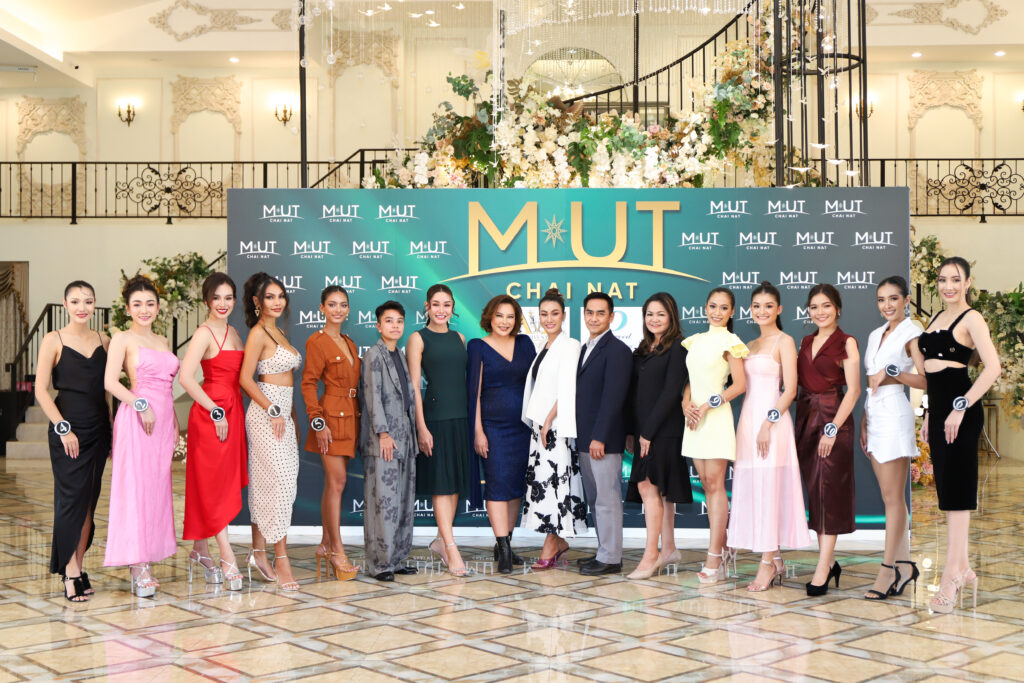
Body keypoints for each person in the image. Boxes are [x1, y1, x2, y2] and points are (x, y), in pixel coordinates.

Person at [912, 257, 1000, 613]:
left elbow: (993, 367)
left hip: (961, 414)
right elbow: (933, 377)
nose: (948, 286)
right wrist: (929, 414)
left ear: (967, 283)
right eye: (942, 279)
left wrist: (960, 407)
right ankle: (962, 568)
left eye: (955, 279)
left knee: (959, 494)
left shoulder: (972, 318)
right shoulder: (936, 318)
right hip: (939, 414)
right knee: (948, 493)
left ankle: (950, 577)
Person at [727, 282, 810, 591]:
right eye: (757, 306)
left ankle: (766, 564)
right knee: (755, 488)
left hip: (772, 424)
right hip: (747, 422)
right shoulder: (747, 345)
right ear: (750, 310)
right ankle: (774, 558)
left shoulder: (784, 341)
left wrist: (767, 423)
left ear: (779, 309)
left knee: (770, 488)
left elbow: (790, 390)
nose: (762, 311)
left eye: (768, 306)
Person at [103, 275, 179, 598]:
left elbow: (168, 387)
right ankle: (137, 565)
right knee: (135, 489)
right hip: (136, 420)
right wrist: (140, 404)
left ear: (158, 307)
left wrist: (174, 422)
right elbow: (110, 382)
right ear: (127, 308)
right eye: (137, 304)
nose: (144, 310)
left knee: (156, 490)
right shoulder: (122, 338)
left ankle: (147, 556)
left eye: (150, 303)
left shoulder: (163, 340)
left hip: (163, 423)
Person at [35, 281, 111, 602]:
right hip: (67, 430)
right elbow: (41, 390)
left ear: (94, 305)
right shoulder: (53, 339)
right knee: (71, 501)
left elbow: (106, 392)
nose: (82, 307)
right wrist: (63, 428)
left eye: (88, 301)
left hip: (98, 430)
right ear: (65, 304)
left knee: (90, 502)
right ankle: (69, 570)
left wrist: (111, 428)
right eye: (76, 301)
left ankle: (79, 566)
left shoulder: (104, 340)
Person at [860, 276, 926, 600]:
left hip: (895, 417)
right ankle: (905, 565)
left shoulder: (913, 333)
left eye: (893, 299)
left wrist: (894, 374)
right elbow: (869, 381)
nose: (887, 305)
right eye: (881, 299)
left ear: (906, 300)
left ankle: (887, 571)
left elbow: (925, 379)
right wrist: (863, 419)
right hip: (873, 416)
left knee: (892, 499)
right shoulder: (875, 334)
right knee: (892, 498)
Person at [179, 272, 247, 591]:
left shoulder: (234, 331)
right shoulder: (203, 333)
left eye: (228, 297)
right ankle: (226, 555)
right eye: (217, 297)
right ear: (207, 300)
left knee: (219, 483)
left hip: (234, 412)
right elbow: (186, 378)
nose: (223, 303)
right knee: (213, 485)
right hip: (212, 415)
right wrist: (214, 410)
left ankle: (200, 549)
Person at [795, 283, 861, 596]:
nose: (820, 312)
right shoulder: (806, 341)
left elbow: (854, 390)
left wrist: (832, 429)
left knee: (828, 493)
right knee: (816, 493)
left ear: (838, 308)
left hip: (833, 420)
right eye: (814, 307)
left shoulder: (847, 342)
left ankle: (822, 568)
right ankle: (829, 561)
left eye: (826, 306)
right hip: (806, 420)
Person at [239, 273, 302, 591]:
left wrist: (291, 417)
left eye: (281, 296)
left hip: (283, 416)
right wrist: (273, 410)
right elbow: (245, 379)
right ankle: (281, 559)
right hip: (266, 415)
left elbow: (288, 381)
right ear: (257, 302)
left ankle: (258, 552)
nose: (277, 302)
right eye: (270, 297)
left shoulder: (279, 331)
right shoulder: (258, 333)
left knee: (275, 484)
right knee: (277, 485)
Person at [682, 287, 748, 584]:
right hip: (694, 419)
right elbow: (689, 381)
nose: (717, 312)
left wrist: (710, 404)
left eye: (723, 308)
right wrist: (686, 404)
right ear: (705, 308)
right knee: (706, 483)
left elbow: (740, 385)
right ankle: (723, 548)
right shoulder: (695, 341)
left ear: (732, 312)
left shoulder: (731, 342)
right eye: (713, 306)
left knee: (715, 483)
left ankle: (714, 557)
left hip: (716, 417)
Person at [467, 295, 536, 573]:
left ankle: (506, 542)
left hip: (523, 428)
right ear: (489, 317)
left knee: (515, 486)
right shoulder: (477, 346)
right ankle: (503, 548)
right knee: (497, 484)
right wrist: (478, 432)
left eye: (510, 316)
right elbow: (474, 393)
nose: (504, 322)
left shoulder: (525, 344)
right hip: (492, 428)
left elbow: (537, 384)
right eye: (499, 316)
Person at [625, 292, 690, 580]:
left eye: (661, 314)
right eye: (650, 314)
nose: (654, 319)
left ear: (671, 317)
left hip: (664, 430)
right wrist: (633, 431)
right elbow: (634, 395)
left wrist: (648, 432)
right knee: (660, 491)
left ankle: (651, 555)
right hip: (644, 430)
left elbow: (670, 392)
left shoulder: (677, 348)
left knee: (648, 486)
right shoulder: (641, 350)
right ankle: (670, 548)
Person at [407, 284, 471, 577]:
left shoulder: (460, 338)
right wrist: (421, 427)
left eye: (446, 305)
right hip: (435, 420)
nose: (441, 310)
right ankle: (451, 547)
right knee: (441, 485)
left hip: (461, 418)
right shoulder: (418, 338)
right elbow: (414, 388)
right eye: (436, 304)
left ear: (453, 307)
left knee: (454, 484)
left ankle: (440, 541)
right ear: (427, 306)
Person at [521, 288, 586, 569]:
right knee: (545, 486)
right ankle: (557, 542)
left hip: (556, 428)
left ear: (564, 316)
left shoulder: (570, 345)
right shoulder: (542, 347)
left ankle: (551, 543)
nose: (549, 319)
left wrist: (548, 421)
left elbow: (568, 389)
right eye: (544, 314)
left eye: (554, 314)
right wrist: (541, 424)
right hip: (541, 429)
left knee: (555, 486)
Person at [301, 286, 360, 581]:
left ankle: (325, 544)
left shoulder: (349, 342)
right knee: (338, 483)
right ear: (322, 308)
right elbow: (308, 383)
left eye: (343, 305)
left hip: (351, 416)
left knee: (333, 484)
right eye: (332, 304)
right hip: (330, 419)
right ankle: (337, 550)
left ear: (348, 310)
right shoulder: (317, 341)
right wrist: (318, 421)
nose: (338, 309)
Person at [359, 301, 419, 582]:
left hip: (405, 438)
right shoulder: (374, 355)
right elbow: (372, 397)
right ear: (378, 325)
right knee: (383, 503)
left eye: (399, 321)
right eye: (389, 321)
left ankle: (397, 559)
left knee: (403, 501)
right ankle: (380, 564)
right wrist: (383, 433)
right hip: (384, 441)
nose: (395, 326)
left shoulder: (400, 355)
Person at [574, 292, 632, 576]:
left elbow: (614, 397)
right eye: (590, 312)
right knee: (596, 499)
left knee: (607, 499)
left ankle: (611, 558)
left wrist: (600, 436)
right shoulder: (585, 348)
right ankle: (604, 551)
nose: (594, 318)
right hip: (585, 437)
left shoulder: (618, 350)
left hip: (603, 440)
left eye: (600, 313)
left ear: (611, 317)